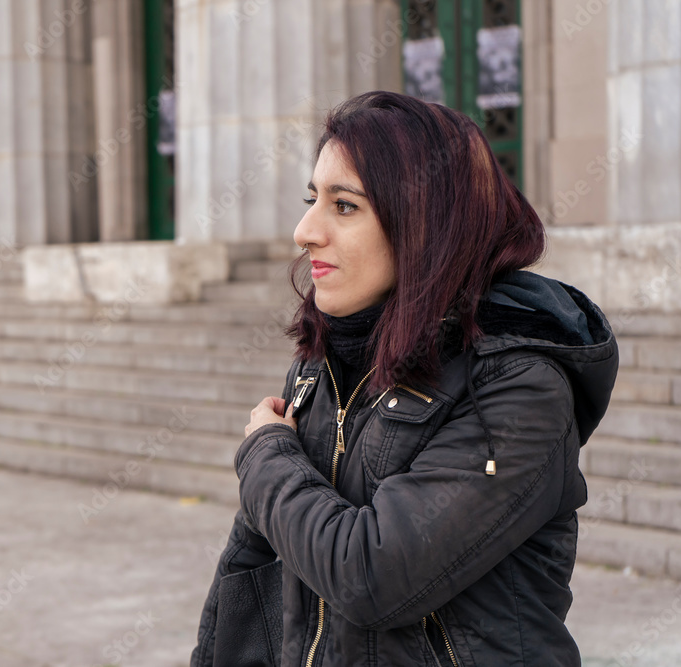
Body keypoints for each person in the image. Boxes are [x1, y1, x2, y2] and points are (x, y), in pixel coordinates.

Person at [190, 91, 619, 666]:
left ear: (427, 221)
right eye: (312, 198)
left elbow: (372, 576)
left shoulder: (518, 386)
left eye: (345, 207)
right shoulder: (325, 364)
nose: (304, 230)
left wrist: (266, 455)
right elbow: (253, 570)